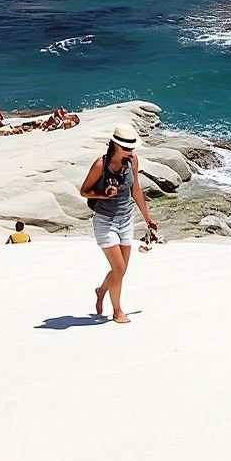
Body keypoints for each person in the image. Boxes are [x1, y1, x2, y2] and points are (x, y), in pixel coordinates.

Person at [79, 124, 157, 324]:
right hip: (105, 222)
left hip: (126, 219)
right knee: (119, 268)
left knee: (120, 270)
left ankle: (101, 290)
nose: (130, 152)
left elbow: (136, 190)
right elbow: (84, 191)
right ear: (115, 145)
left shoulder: (132, 161)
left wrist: (147, 218)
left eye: (132, 148)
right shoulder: (101, 165)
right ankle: (117, 311)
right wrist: (103, 195)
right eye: (126, 148)